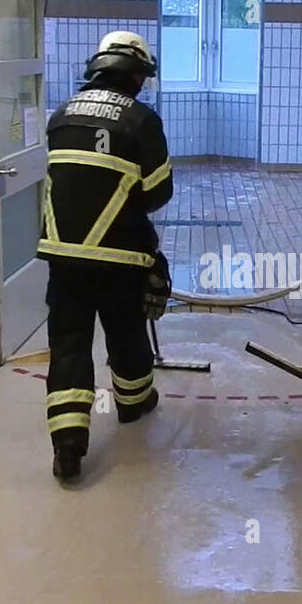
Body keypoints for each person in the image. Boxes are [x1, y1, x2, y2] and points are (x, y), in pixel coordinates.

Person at [38, 31, 174, 484]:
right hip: (119, 254)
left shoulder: (61, 116)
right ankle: (133, 404)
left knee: (70, 342)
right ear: (135, 75)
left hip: (64, 254)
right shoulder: (141, 120)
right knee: (125, 329)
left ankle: (69, 445)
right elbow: (158, 194)